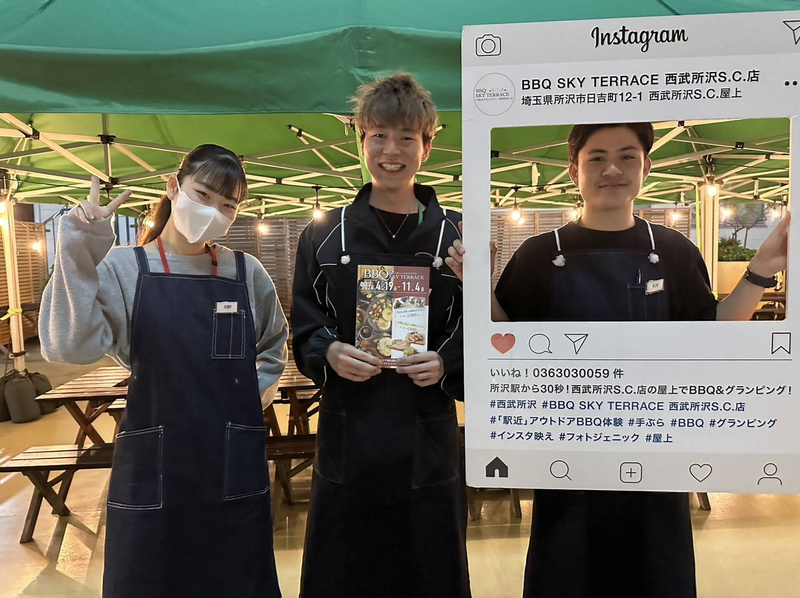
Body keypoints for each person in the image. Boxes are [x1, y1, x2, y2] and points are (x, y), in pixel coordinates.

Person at [446, 122, 789, 597]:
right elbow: (503, 342)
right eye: (597, 158)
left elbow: (713, 334)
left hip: (657, 456)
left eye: (627, 156)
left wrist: (761, 269)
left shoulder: (674, 250)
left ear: (646, 167)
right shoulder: (539, 254)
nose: (612, 169)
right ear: (574, 171)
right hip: (566, 461)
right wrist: (477, 287)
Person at [39, 144, 288, 598]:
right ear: (173, 187)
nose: (213, 212)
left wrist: (249, 399)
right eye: (204, 195)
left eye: (228, 205)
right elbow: (66, 346)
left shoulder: (244, 272)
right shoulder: (124, 268)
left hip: (231, 462)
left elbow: (273, 345)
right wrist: (78, 250)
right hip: (153, 469)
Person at [292, 73, 470, 597]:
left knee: (430, 569)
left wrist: (447, 361)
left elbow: (478, 323)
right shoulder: (324, 233)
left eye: (406, 138)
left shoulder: (456, 233)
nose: (392, 151)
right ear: (361, 141)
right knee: (346, 571)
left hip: (427, 431)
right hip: (351, 430)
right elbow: (305, 322)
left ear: (427, 146)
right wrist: (329, 351)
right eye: (379, 136)